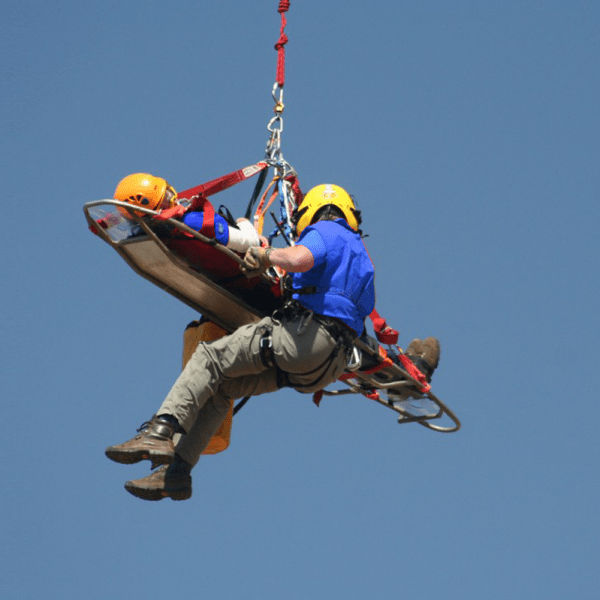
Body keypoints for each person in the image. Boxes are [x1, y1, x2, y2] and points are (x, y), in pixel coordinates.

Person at [104, 184, 441, 501]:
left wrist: (267, 258)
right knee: (223, 388)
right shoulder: (362, 258)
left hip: (304, 339)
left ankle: (160, 431)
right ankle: (176, 474)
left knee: (209, 358)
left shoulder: (327, 229)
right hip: (324, 366)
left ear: (312, 211)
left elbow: (300, 260)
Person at [113, 172, 266, 251]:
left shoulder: (145, 238)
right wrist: (245, 224)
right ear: (163, 204)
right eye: (167, 194)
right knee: (242, 220)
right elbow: (251, 243)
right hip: (243, 271)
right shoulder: (193, 222)